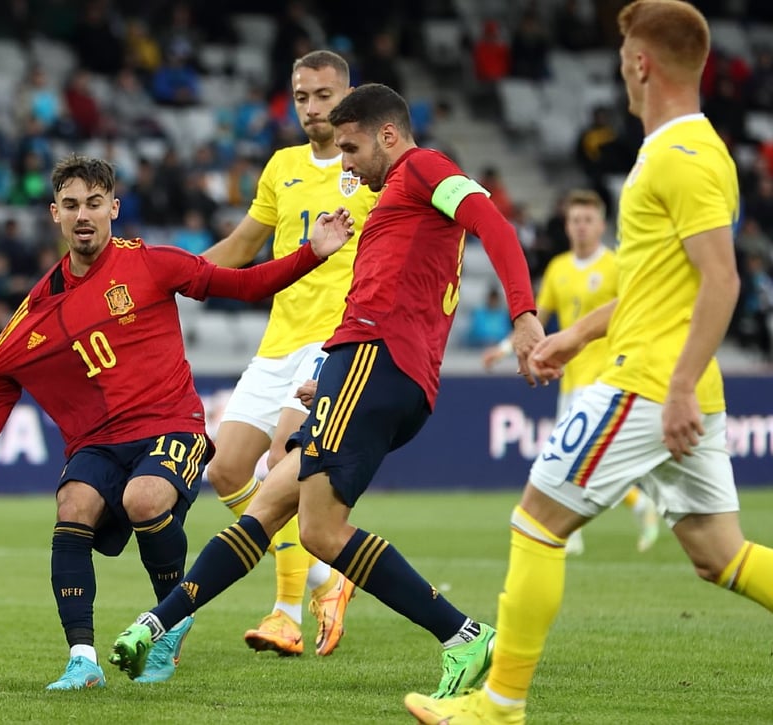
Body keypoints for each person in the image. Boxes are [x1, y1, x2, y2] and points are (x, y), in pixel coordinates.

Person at [109, 83, 545, 701]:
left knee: (319, 530)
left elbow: (492, 220)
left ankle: (464, 635)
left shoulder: (422, 168)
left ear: (387, 135)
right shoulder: (398, 195)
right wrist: (334, 377)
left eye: (351, 147)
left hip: (374, 358)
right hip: (365, 368)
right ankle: (158, 624)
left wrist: (522, 314)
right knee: (266, 506)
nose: (343, 162)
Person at [406, 3, 772, 722]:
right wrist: (576, 337)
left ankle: (500, 703)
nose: (619, 68)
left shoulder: (681, 156)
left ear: (642, 63)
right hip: (663, 373)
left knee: (536, 522)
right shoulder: (682, 150)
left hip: (647, 381)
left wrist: (673, 389)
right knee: (718, 552)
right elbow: (657, 283)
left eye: (624, 54)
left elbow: (721, 279)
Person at [0, 154, 353, 691]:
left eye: (94, 203)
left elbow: (247, 286)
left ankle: (172, 622)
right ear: (54, 214)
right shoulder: (40, 303)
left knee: (144, 499)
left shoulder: (153, 263)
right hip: (98, 440)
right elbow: (0, 377)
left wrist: (311, 254)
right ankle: (82, 660)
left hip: (172, 425)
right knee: (71, 507)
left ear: (114, 207)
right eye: (71, 205)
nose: (83, 215)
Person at [200, 49, 374, 658]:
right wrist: (171, 277)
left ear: (347, 95)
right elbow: (245, 244)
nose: (310, 107)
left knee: (281, 463)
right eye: (301, 96)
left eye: (323, 95)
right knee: (223, 469)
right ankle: (327, 574)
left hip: (334, 339)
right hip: (279, 338)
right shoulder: (282, 166)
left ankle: (285, 612)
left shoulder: (374, 170)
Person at [482, 189, 660, 556]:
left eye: (587, 220)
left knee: (567, 456)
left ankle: (572, 530)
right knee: (577, 458)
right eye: (574, 220)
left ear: (601, 225)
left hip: (608, 374)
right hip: (568, 377)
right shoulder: (559, 268)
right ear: (566, 225)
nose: (580, 227)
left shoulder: (615, 266)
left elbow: (634, 313)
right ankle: (634, 506)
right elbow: (535, 320)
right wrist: (503, 350)